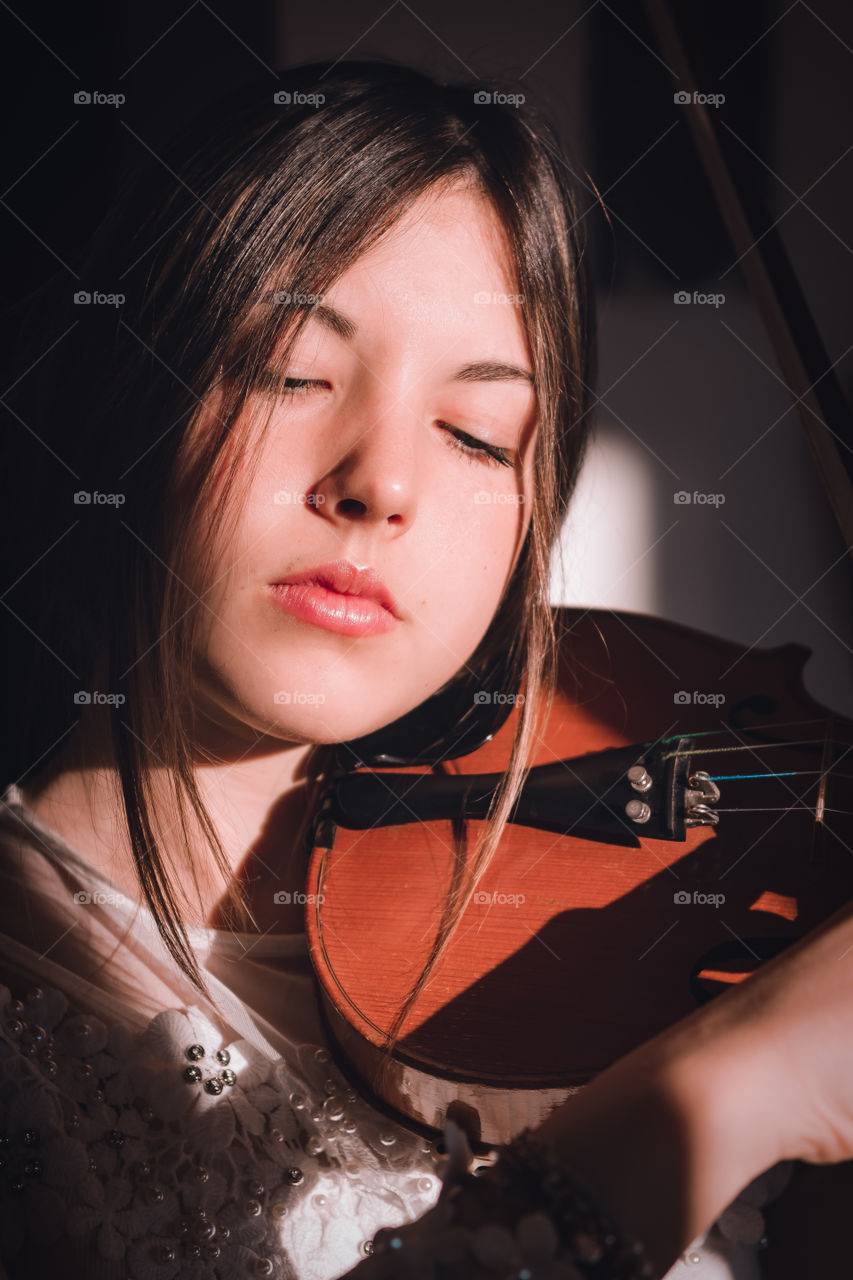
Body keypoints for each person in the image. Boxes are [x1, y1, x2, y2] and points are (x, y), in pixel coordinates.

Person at [1, 57, 852, 1280]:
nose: (383, 482)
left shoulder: (625, 970)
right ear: (128, 391)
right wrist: (726, 1087)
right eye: (291, 369)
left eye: (475, 433)